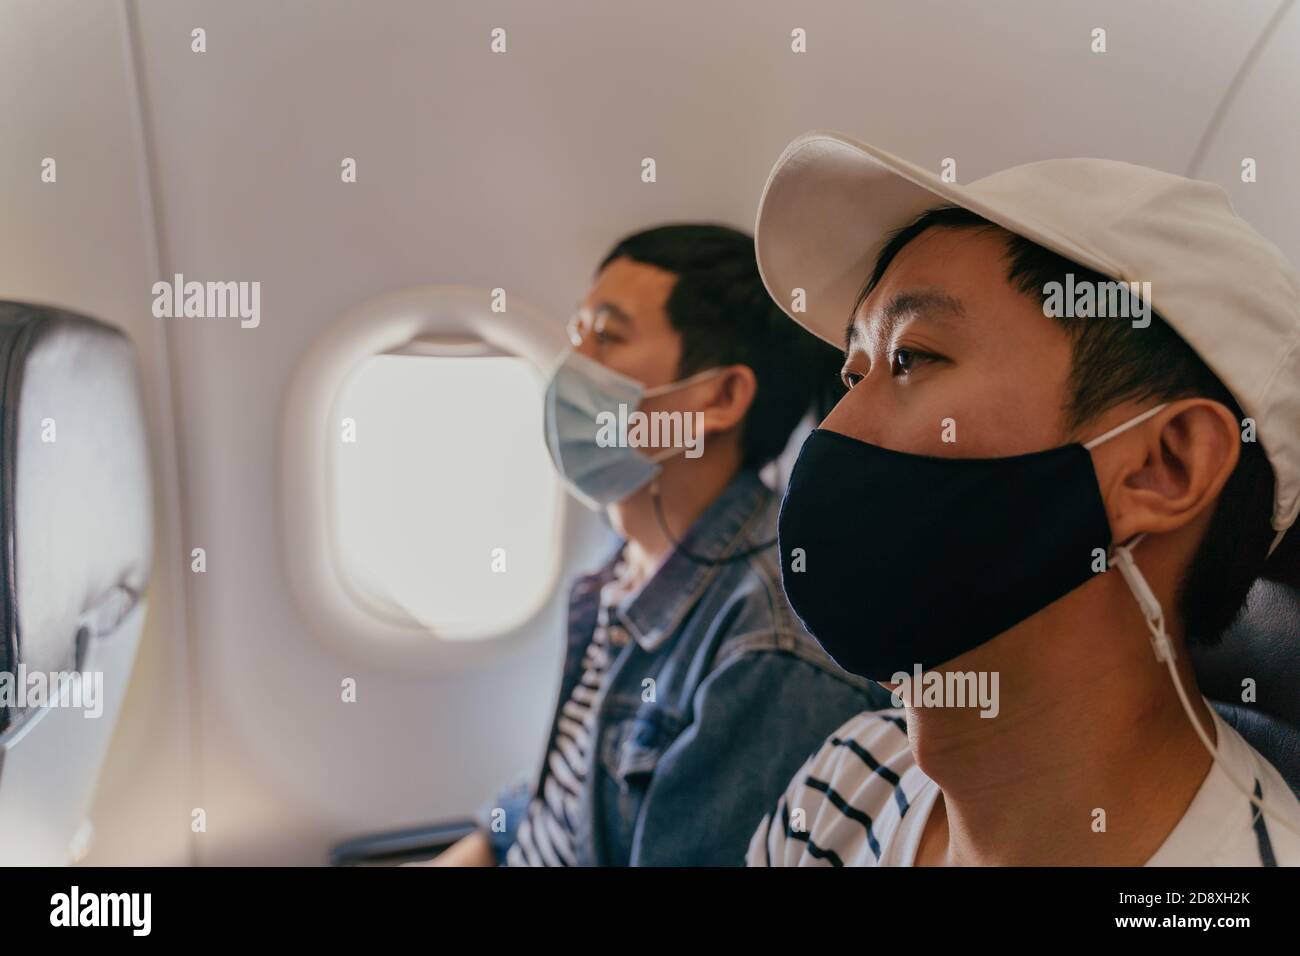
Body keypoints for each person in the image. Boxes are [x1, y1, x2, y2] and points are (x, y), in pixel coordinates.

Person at [745, 132, 1300, 866]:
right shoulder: (846, 783)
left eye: (911, 358)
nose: (834, 433)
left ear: (1163, 467)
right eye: (854, 375)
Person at [433, 223, 891, 866]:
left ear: (722, 396)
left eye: (608, 336)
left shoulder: (768, 647)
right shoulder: (624, 567)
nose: (571, 367)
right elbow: (539, 813)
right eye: (575, 335)